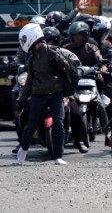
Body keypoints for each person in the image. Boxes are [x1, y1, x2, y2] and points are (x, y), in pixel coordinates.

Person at [15, 23, 70, 165]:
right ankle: (23, 151)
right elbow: (29, 81)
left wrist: (68, 93)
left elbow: (66, 71)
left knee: (59, 124)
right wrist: (21, 100)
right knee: (31, 125)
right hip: (38, 95)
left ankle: (58, 156)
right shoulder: (32, 58)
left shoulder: (53, 53)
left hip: (56, 94)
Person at [63, 21, 112, 146]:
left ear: (85, 36)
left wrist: (102, 65)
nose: (77, 39)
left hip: (91, 79)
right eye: (74, 36)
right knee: (65, 104)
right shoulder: (67, 48)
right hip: (73, 82)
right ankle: (65, 131)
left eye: (79, 36)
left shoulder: (92, 47)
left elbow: (99, 58)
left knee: (100, 104)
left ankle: (108, 134)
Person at [42, 26, 88, 153]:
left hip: (64, 92)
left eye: (50, 41)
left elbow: (77, 65)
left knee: (77, 114)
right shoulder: (37, 55)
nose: (47, 44)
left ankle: (78, 140)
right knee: (25, 112)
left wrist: (78, 72)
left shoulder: (66, 53)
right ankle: (23, 143)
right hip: (42, 92)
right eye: (44, 41)